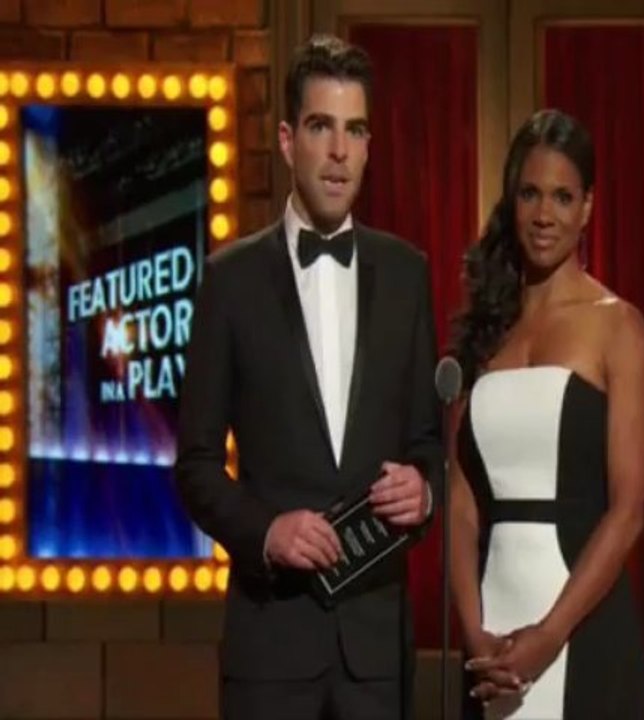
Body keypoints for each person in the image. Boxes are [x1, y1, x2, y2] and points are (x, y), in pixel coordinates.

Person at [174, 33, 442, 720]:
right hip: (272, 645)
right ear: (290, 141)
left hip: (375, 658)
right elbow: (196, 466)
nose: (339, 151)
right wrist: (266, 531)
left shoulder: (408, 275)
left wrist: (424, 493)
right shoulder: (229, 281)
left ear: (369, 147)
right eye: (322, 127)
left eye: (355, 131)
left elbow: (426, 449)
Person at [448, 109, 644, 719]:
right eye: (531, 194)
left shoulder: (619, 326)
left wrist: (549, 634)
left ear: (588, 207)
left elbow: (629, 511)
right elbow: (459, 501)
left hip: (584, 631)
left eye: (563, 197)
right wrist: (473, 631)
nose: (545, 215)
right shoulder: (483, 329)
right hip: (489, 643)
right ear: (512, 201)